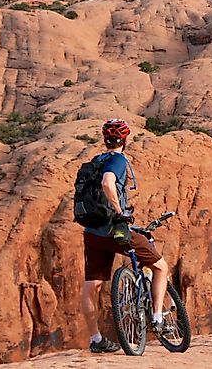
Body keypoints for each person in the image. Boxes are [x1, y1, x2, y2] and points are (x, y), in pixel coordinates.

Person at [80, 118, 171, 353]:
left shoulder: (95, 161)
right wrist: (120, 213)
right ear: (125, 140)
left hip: (92, 232)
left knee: (92, 286)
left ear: (104, 139)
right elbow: (108, 183)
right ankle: (158, 317)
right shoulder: (117, 160)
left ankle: (96, 339)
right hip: (114, 228)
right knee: (161, 267)